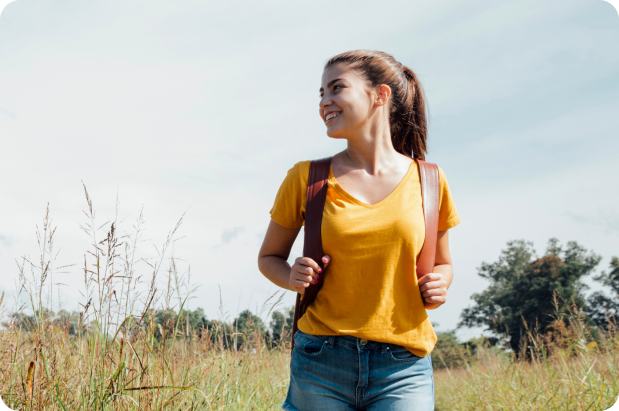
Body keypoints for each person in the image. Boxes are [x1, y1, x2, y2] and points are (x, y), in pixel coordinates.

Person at [257, 50, 460, 411]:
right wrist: (291, 276)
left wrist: (440, 282)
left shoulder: (430, 181)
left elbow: (443, 264)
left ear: (379, 95)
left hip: (403, 364)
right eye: (321, 93)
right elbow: (268, 257)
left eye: (336, 88)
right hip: (321, 358)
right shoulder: (306, 178)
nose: (325, 102)